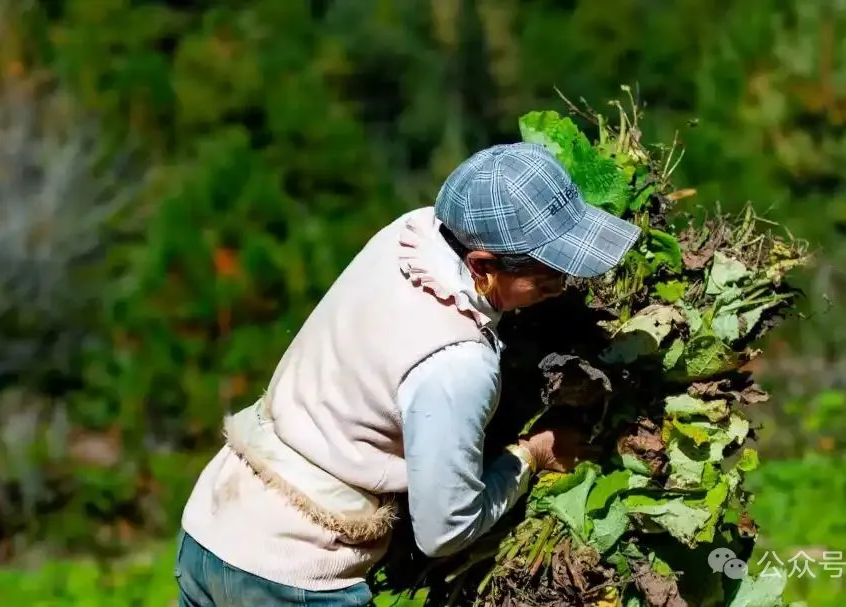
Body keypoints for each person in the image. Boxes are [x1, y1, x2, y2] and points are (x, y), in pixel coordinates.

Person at [173, 142, 642, 606]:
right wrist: (530, 455)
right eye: (547, 277)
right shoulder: (457, 362)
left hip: (212, 527)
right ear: (482, 266)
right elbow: (446, 531)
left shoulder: (412, 231)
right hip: (290, 574)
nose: (562, 286)